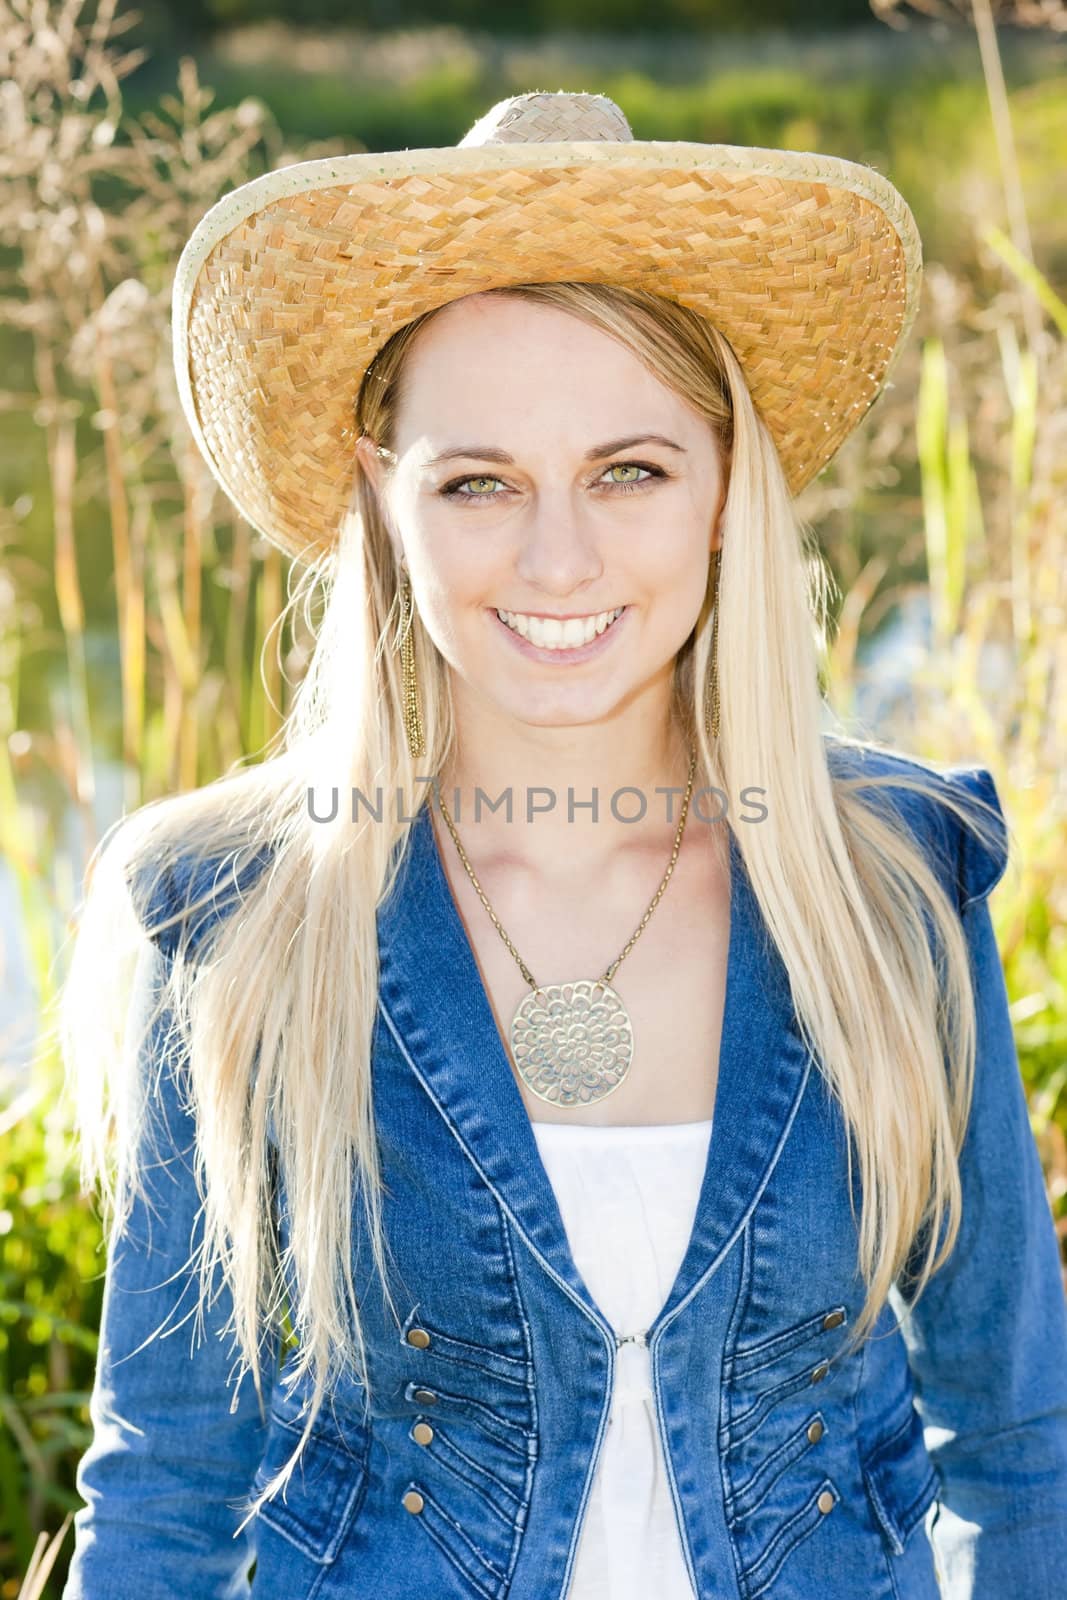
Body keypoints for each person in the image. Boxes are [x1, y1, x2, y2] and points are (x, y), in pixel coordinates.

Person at [59, 90, 1067, 1600]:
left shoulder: (892, 889)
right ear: (379, 500)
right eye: (478, 482)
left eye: (630, 470)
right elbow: (166, 1487)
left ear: (729, 484)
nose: (558, 558)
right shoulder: (237, 923)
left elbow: (1017, 1443)